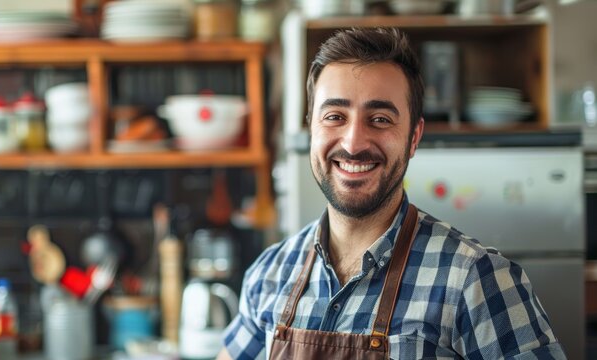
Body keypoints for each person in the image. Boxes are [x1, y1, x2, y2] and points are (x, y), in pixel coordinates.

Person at [218, 27, 566, 359]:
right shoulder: (270, 273)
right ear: (311, 127)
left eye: (380, 119)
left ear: (413, 137)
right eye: (335, 116)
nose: (353, 143)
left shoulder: (476, 279)